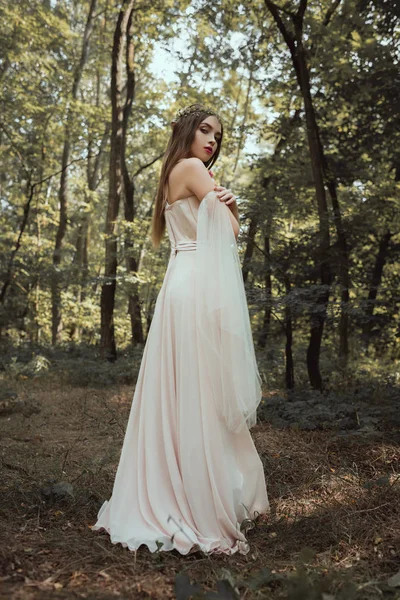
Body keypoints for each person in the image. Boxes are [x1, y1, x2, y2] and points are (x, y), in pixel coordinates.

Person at [91, 103, 269, 556]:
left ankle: (175, 487)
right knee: (200, 392)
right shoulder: (191, 168)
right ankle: (198, 500)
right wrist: (232, 207)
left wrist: (226, 206)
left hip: (181, 283)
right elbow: (229, 233)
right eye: (205, 130)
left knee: (182, 392)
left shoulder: (174, 171)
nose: (212, 140)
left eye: (218, 136)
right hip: (194, 285)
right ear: (188, 132)